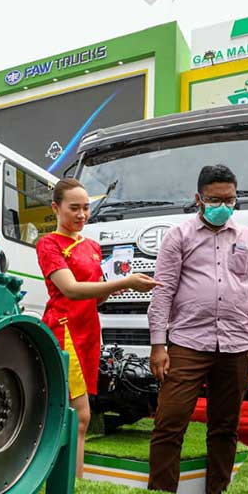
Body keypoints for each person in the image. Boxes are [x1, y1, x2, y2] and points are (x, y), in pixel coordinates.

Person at [146, 164, 248, 494]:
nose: (223, 205)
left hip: (235, 345)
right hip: (188, 343)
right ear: (198, 199)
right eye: (215, 199)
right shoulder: (179, 236)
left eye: (230, 199)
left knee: (225, 426)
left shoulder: (247, 237)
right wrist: (158, 345)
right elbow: (162, 293)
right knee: (169, 421)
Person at [36, 178, 162, 476]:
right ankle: (70, 484)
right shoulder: (48, 243)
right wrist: (125, 282)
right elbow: (71, 289)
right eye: (74, 208)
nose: (81, 215)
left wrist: (111, 288)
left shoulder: (92, 246)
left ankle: (71, 482)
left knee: (77, 415)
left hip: (90, 331)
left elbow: (95, 294)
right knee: (80, 415)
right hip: (64, 330)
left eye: (86, 208)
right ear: (56, 208)